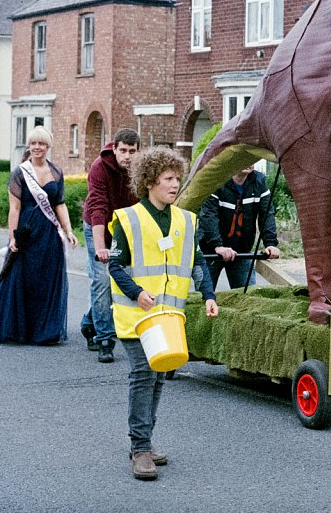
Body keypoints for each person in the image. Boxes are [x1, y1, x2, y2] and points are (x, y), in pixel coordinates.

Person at [107, 147, 217, 480]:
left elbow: (197, 263)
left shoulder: (186, 219)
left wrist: (209, 295)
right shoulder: (128, 219)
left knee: (157, 376)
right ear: (150, 181)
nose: (175, 185)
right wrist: (137, 293)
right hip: (135, 316)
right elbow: (115, 265)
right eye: (169, 179)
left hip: (167, 317)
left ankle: (145, 441)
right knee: (143, 373)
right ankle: (140, 449)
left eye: (177, 179)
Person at [0, 127, 77, 345]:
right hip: (27, 232)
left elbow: (59, 204)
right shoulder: (20, 172)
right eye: (34, 143)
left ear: (48, 147)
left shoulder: (56, 172)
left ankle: (45, 330)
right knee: (23, 279)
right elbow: (14, 208)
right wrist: (12, 238)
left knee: (46, 280)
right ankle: (20, 329)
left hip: (48, 233)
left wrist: (69, 230)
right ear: (29, 145)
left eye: (42, 144)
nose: (37, 147)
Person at [80, 128, 140, 363]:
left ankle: (89, 322)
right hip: (98, 224)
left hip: (124, 228)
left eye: (132, 151)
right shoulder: (100, 167)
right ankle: (105, 338)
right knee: (102, 280)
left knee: (125, 278)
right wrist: (99, 249)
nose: (127, 156)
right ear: (113, 149)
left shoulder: (140, 168)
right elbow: (97, 206)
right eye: (122, 150)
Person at [197, 165, 280, 290]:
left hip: (242, 250)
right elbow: (208, 216)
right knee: (203, 297)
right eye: (244, 158)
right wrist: (217, 245)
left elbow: (266, 213)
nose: (249, 162)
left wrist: (270, 243)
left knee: (246, 296)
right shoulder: (217, 180)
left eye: (252, 159)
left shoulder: (259, 181)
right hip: (211, 250)